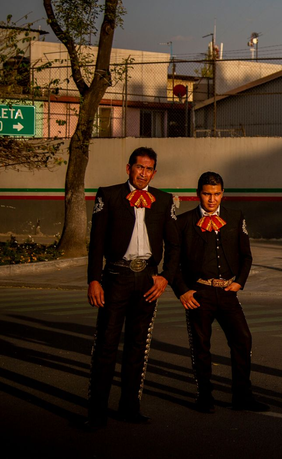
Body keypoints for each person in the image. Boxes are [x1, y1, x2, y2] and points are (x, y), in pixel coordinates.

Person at [85, 147, 176, 431]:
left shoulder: (164, 200)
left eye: (148, 169)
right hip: (116, 277)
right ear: (128, 168)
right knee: (106, 345)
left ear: (154, 172)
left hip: (148, 279)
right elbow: (96, 242)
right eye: (139, 167)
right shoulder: (108, 195)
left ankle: (129, 408)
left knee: (138, 346)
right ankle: (96, 413)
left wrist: (165, 278)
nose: (143, 173)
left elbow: (175, 245)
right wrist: (94, 279)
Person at [163, 171, 267, 414]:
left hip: (228, 292)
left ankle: (242, 396)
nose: (212, 199)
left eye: (217, 194)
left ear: (223, 194)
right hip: (199, 293)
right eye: (207, 194)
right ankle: (205, 396)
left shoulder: (235, 216)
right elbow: (172, 263)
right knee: (201, 345)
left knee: (243, 339)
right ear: (198, 194)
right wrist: (183, 291)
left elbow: (246, 256)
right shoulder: (183, 222)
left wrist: (239, 282)